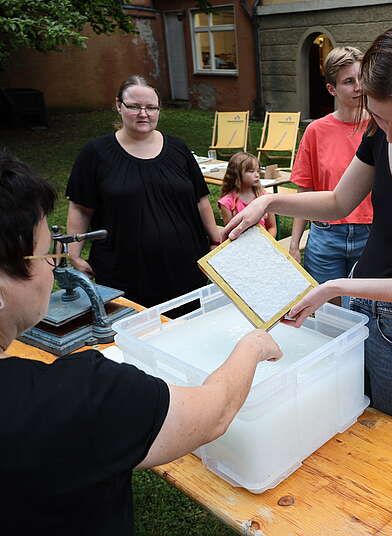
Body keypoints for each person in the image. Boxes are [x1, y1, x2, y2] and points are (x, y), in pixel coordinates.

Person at [224, 21, 392, 433]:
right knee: (358, 416)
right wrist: (270, 199)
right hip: (361, 301)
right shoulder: (381, 129)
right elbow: (338, 201)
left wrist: (335, 288)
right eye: (382, 120)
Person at [0, 151, 282, 534]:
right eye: (48, 254)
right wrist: (253, 347)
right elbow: (212, 413)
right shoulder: (80, 396)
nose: (54, 268)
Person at [66, 75, 222, 310]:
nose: (144, 114)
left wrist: (214, 240)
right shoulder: (95, 154)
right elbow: (80, 207)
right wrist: (74, 255)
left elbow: (201, 200)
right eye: (134, 106)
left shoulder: (178, 149)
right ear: (119, 105)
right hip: (124, 270)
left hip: (185, 266)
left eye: (151, 107)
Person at [289, 46, 372, 304]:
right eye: (348, 81)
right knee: (329, 313)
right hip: (326, 236)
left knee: (363, 312)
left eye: (362, 79)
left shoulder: (382, 127)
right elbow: (305, 191)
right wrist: (294, 244)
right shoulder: (316, 131)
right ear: (331, 89)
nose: (358, 87)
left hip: (372, 233)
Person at [218, 151, 276, 236]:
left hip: (263, 244)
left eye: (258, 171)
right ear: (237, 174)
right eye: (251, 171)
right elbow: (229, 233)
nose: (257, 175)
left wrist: (266, 243)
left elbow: (272, 227)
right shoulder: (227, 203)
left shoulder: (264, 197)